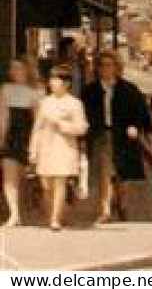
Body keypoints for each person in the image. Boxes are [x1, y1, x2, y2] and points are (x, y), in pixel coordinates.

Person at [81, 51, 152, 224]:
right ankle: (105, 210)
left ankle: (121, 204)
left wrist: (137, 126)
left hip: (124, 137)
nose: (105, 69)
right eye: (101, 65)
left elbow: (141, 112)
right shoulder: (90, 90)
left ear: (116, 68)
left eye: (109, 65)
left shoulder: (129, 89)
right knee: (105, 173)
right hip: (101, 135)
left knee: (122, 177)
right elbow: (83, 114)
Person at [29, 69, 88, 231]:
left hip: (65, 148)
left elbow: (82, 127)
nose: (52, 83)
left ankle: (55, 219)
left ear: (66, 83)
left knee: (60, 182)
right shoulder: (44, 102)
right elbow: (37, 127)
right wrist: (33, 149)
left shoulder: (75, 104)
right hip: (46, 147)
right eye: (51, 80)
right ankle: (56, 213)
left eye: (56, 80)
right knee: (47, 185)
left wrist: (62, 125)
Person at [0, 59, 41, 227]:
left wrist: (36, 142)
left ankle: (21, 211)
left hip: (29, 133)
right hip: (11, 134)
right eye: (12, 68)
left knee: (23, 176)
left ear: (27, 70)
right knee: (9, 177)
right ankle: (14, 214)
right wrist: (2, 138)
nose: (14, 71)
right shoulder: (6, 89)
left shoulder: (36, 90)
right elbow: (3, 116)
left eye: (18, 68)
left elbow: (37, 119)